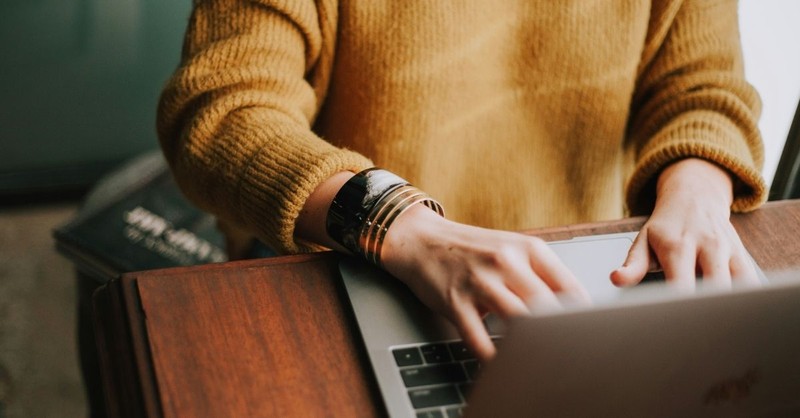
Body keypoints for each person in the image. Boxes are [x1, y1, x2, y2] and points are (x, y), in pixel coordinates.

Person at [156, 0, 767, 362]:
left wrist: (699, 187)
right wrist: (399, 223)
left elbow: (703, 87)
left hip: (579, 284)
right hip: (348, 265)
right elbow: (222, 110)